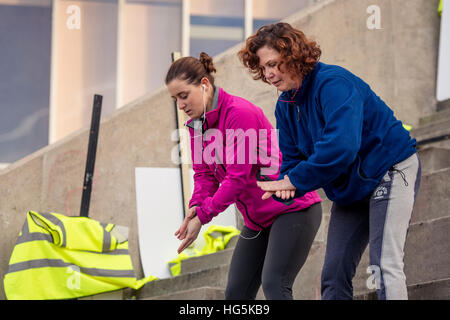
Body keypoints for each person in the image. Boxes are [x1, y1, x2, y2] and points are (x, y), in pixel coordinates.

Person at [238, 22, 421, 300]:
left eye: (274, 64)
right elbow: (291, 162)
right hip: (350, 188)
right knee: (332, 276)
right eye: (264, 68)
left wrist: (295, 179)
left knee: (383, 265)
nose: (269, 74)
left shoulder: (333, 83)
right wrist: (288, 186)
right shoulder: (285, 106)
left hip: (390, 169)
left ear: (293, 56)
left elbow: (341, 147)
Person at [165, 52, 322, 300]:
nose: (181, 105)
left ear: (204, 85)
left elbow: (237, 178)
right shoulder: (196, 125)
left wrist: (204, 216)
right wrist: (196, 207)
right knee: (236, 294)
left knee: (275, 284)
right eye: (175, 99)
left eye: (184, 96)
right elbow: (204, 175)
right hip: (257, 220)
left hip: (292, 209)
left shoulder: (239, 113)